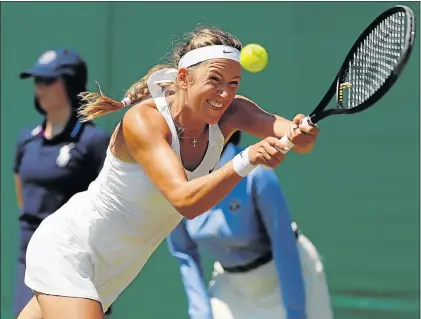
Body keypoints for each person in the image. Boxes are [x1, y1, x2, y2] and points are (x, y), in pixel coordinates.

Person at [17, 26, 320, 319]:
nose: (225, 93)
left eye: (234, 83)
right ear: (185, 77)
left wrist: (300, 132)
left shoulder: (234, 112)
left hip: (116, 270)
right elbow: (185, 201)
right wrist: (247, 159)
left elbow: (297, 139)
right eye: (215, 79)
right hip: (71, 247)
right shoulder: (145, 120)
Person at [167, 131, 333, 319]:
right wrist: (200, 313)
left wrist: (296, 313)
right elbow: (183, 251)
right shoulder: (175, 182)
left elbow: (283, 244)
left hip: (291, 279)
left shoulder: (257, 173)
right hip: (232, 287)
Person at [13, 49, 110, 316]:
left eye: (48, 81)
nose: (39, 88)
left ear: (69, 84)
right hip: (30, 254)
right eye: (36, 81)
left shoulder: (93, 141)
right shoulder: (26, 140)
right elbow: (22, 192)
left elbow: (107, 200)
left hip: (76, 256)